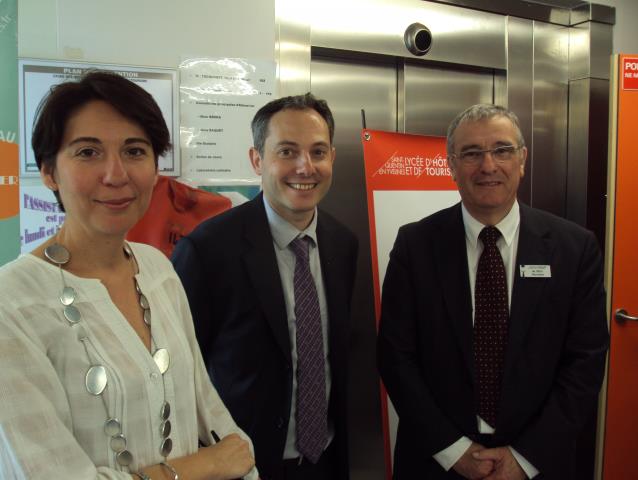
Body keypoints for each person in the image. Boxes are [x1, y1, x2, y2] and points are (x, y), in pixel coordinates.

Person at [0, 71, 258, 480]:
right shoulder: (12, 302)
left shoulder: (156, 268)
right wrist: (199, 467)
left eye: (135, 151)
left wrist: (232, 456)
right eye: (87, 152)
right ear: (49, 171)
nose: (116, 174)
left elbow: (212, 416)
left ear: (155, 168)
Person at [377, 104, 609, 480]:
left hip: (538, 462)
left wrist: (526, 457)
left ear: (522, 159)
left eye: (502, 150)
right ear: (451, 165)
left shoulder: (574, 248)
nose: (488, 166)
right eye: (471, 153)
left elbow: (586, 361)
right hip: (437, 460)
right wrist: (454, 451)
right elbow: (395, 355)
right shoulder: (415, 245)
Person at [172, 93, 358, 480]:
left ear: (332, 159)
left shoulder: (343, 244)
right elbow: (180, 376)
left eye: (318, 152)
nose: (305, 167)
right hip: (244, 465)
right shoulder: (208, 249)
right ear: (257, 160)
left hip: (325, 459)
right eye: (287, 151)